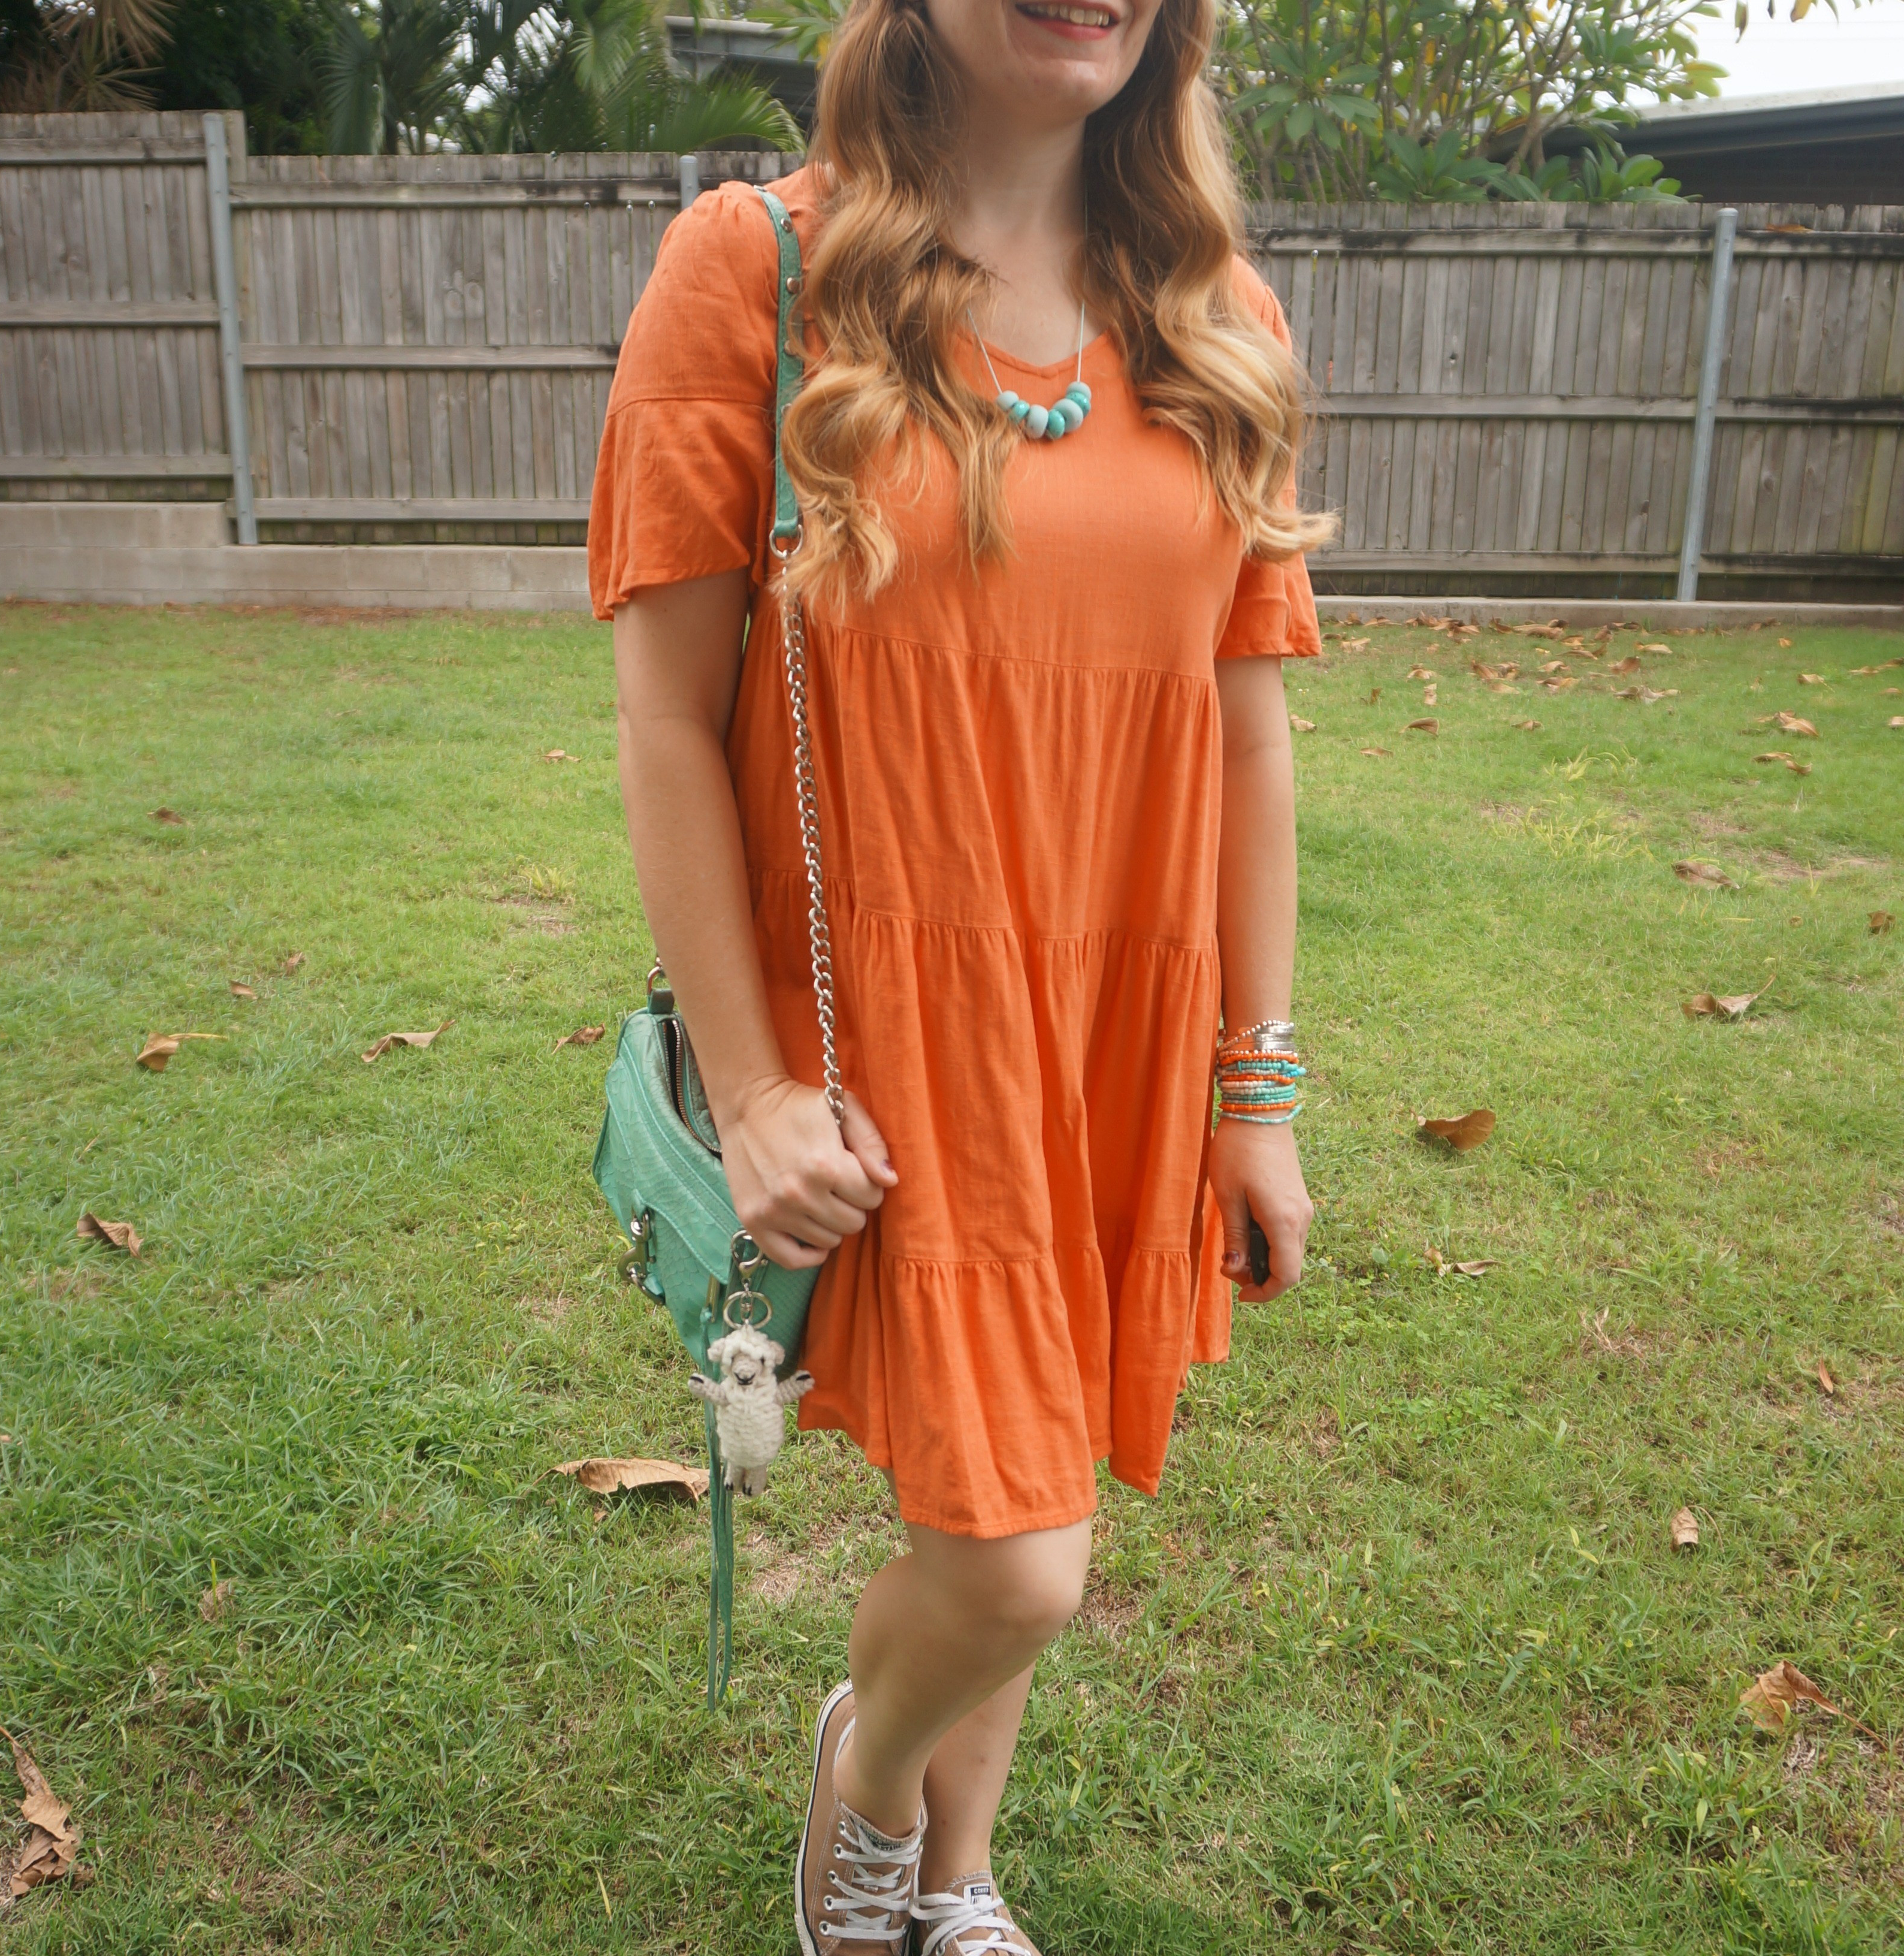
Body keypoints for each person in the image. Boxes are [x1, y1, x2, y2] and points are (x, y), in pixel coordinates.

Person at [591, 0, 1326, 1940]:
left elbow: (1248, 737)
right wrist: (750, 1092)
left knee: (1011, 1496)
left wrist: (1257, 1090)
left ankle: (949, 1877)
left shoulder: (1213, 308)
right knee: (1018, 1561)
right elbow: (670, 715)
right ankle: (872, 1779)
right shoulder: (755, 272)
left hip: (1118, 1035)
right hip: (902, 1039)